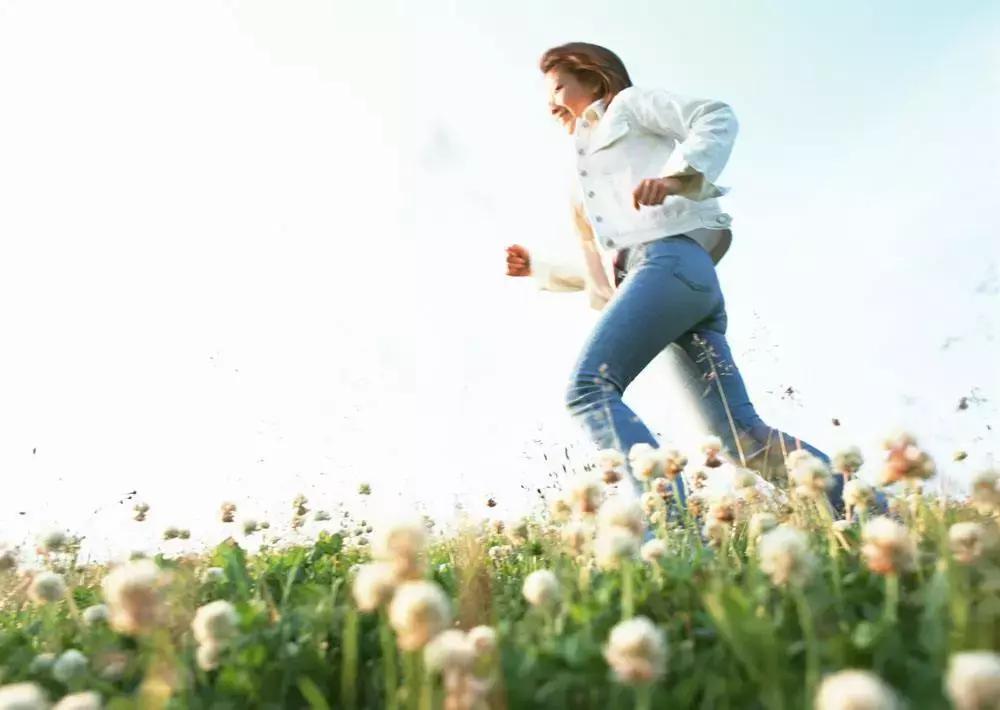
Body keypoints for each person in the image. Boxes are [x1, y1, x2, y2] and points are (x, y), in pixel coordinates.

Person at [505, 42, 845, 510]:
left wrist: (677, 177)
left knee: (589, 390)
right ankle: (874, 512)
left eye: (559, 85)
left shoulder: (628, 106)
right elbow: (610, 264)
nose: (552, 100)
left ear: (594, 75)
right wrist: (539, 269)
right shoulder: (579, 172)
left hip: (670, 263)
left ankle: (671, 533)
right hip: (668, 285)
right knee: (739, 439)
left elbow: (715, 115)